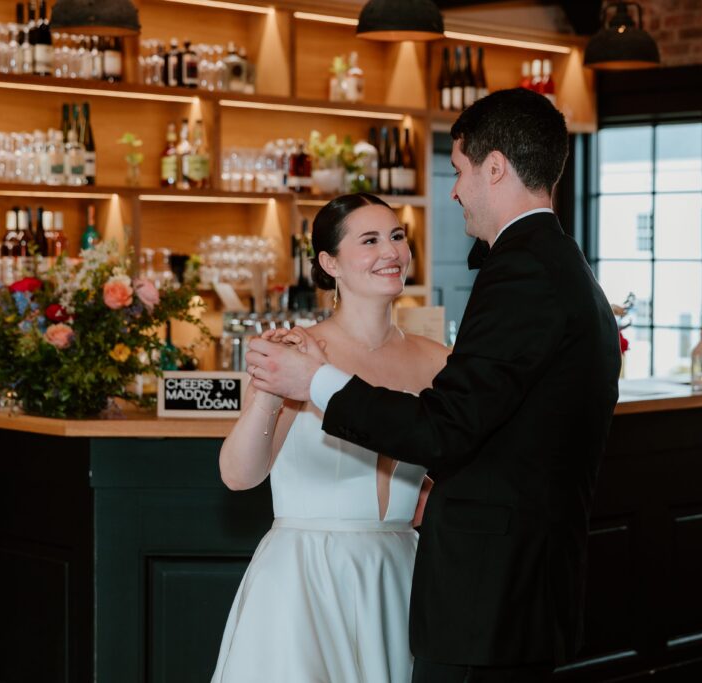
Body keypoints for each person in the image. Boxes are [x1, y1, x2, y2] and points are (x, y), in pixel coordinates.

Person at [248, 88, 622, 683]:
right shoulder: (560, 262)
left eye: (459, 170)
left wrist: (315, 380)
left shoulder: (523, 272)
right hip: (516, 583)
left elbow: (445, 428)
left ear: (494, 168)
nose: (453, 191)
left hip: (492, 590)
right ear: (329, 263)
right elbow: (500, 424)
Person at [211, 193, 447, 683]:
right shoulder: (298, 350)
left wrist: (429, 488)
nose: (391, 252)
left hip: (401, 575)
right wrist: (271, 389)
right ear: (329, 263)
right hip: (306, 580)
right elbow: (239, 475)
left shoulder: (438, 360)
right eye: (370, 241)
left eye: (397, 237)